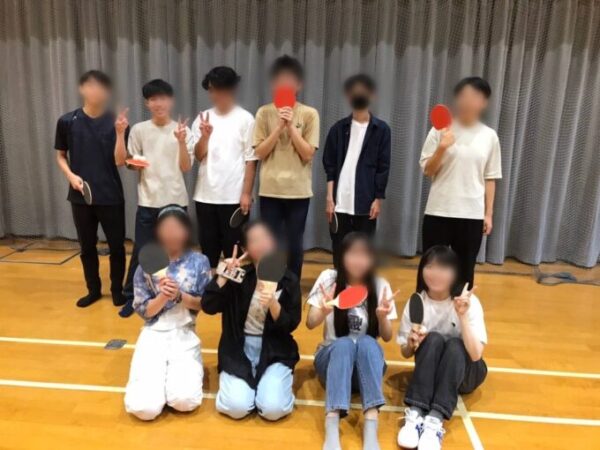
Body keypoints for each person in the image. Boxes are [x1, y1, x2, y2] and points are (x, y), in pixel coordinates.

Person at [202, 220, 301, 421]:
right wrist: (223, 275)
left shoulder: (288, 280)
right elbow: (209, 306)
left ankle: (273, 387)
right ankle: (241, 385)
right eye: (256, 240)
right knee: (236, 408)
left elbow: (291, 324)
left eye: (266, 238)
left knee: (273, 410)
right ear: (245, 249)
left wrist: (273, 303)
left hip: (274, 350)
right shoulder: (238, 277)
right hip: (237, 349)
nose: (263, 243)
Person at [306, 232, 398, 450]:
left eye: (364, 255)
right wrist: (323, 310)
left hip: (367, 367)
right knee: (345, 344)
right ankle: (332, 427)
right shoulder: (329, 278)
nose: (358, 260)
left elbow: (387, 336)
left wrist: (382, 317)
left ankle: (371, 428)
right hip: (332, 363)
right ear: (342, 255)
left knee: (367, 342)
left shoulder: (380, 284)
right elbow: (310, 323)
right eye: (352, 254)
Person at [115, 79, 194, 317]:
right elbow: (125, 162)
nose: (158, 103)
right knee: (143, 250)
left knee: (176, 251)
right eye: (153, 99)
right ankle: (132, 296)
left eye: (163, 98)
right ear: (147, 103)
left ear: (171, 101)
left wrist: (181, 142)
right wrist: (121, 135)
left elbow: (186, 167)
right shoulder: (139, 130)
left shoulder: (182, 130)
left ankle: (179, 295)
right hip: (148, 201)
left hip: (175, 201)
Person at [124, 205, 211, 421]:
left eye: (177, 228)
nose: (172, 234)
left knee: (185, 401)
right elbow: (144, 311)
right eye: (166, 228)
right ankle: (156, 384)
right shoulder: (146, 263)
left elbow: (205, 305)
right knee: (144, 408)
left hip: (185, 332)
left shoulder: (200, 262)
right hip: (154, 332)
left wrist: (180, 296)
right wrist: (163, 296)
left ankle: (178, 376)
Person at [397, 245, 487, 450]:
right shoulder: (417, 301)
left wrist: (462, 316)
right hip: (432, 373)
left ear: (455, 273)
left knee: (454, 345)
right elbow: (405, 353)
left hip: (466, 373)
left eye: (444, 268)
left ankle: (435, 420)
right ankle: (416, 414)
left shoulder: (469, 302)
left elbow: (475, 355)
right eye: (430, 267)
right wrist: (411, 344)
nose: (436, 273)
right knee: (434, 339)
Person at [54, 70, 127, 308]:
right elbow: (60, 156)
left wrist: (120, 133)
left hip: (111, 195)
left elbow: (120, 161)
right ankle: (93, 290)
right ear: (82, 89)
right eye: (90, 86)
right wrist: (70, 176)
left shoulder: (117, 122)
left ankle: (117, 290)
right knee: (87, 247)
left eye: (100, 87)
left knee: (117, 247)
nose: (95, 91)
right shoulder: (67, 121)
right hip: (80, 197)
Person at [420, 77, 501, 289]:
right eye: (464, 95)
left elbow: (490, 177)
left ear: (484, 102)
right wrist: (442, 147)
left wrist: (488, 214)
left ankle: (460, 309)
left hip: (471, 215)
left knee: (465, 272)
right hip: (438, 211)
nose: (468, 101)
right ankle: (424, 309)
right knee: (431, 268)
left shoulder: (490, 136)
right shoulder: (439, 130)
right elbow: (428, 170)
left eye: (475, 96)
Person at [253, 55, 320, 279]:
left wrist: (290, 126)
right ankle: (268, 285)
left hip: (298, 191)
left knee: (294, 243)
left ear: (298, 85)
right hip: (270, 190)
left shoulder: (309, 114)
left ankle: (291, 287)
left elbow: (308, 154)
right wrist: (278, 127)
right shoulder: (264, 112)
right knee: (269, 243)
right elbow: (260, 152)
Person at [190, 66, 257, 270]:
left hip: (234, 197)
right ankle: (211, 288)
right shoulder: (203, 118)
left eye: (220, 88)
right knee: (208, 251)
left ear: (232, 88)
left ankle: (234, 289)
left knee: (234, 253)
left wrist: (246, 193)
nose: (215, 94)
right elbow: (198, 155)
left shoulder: (246, 119)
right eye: (211, 89)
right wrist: (205, 136)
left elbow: (251, 160)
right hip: (205, 196)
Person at [322, 74, 391, 266]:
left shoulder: (382, 130)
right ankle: (340, 282)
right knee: (339, 249)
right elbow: (330, 165)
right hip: (340, 201)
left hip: (366, 200)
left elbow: (383, 167)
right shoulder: (338, 129)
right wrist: (329, 197)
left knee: (364, 249)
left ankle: (362, 284)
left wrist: (378, 199)